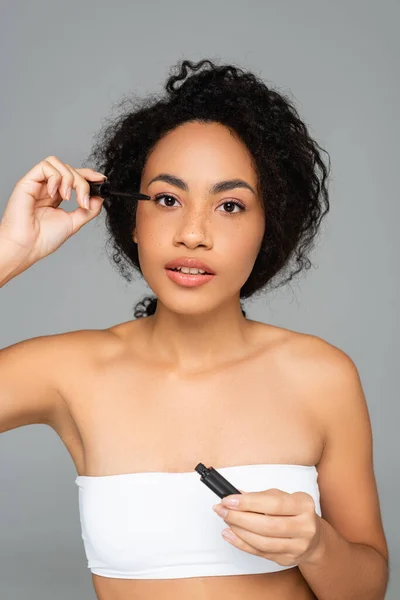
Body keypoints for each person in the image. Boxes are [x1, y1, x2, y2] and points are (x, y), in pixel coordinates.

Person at [0, 58, 389, 600]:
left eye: (230, 205)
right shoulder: (68, 372)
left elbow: (366, 587)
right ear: (132, 220)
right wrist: (9, 254)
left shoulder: (322, 376)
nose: (193, 234)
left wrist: (317, 547)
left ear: (267, 227)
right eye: (166, 199)